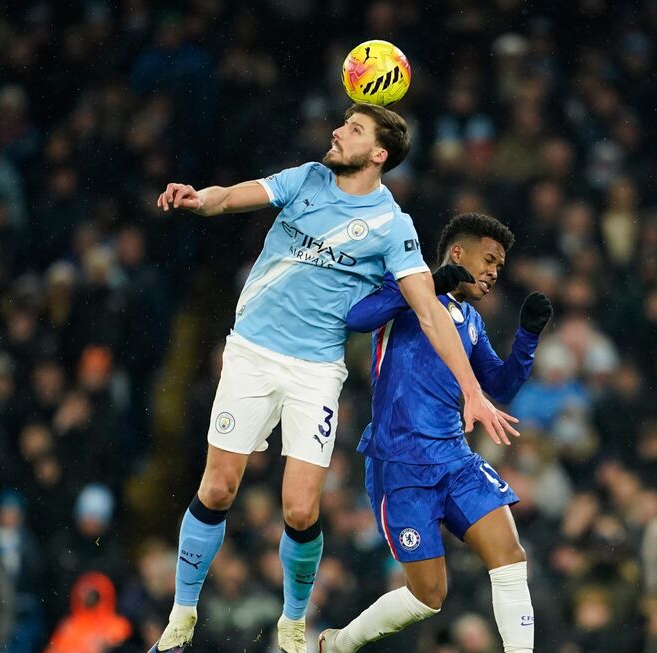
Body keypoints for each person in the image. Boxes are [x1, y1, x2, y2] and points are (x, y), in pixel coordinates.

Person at [150, 105, 518, 653]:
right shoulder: (306, 179)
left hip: (316, 370)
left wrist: (472, 391)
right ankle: (181, 619)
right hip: (252, 352)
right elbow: (230, 196)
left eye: (353, 129)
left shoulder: (394, 226)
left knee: (300, 508)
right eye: (343, 123)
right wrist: (198, 197)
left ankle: (293, 626)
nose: (337, 132)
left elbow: (430, 312)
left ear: (378, 154)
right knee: (218, 486)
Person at [320, 212, 552, 653]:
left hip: (456, 459)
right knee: (428, 596)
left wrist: (527, 337)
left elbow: (499, 387)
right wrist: (427, 286)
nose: (493, 274)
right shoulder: (406, 289)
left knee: (510, 558)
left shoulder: (470, 321)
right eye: (489, 260)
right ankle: (337, 645)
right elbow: (357, 317)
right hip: (401, 464)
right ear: (457, 253)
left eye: (500, 267)